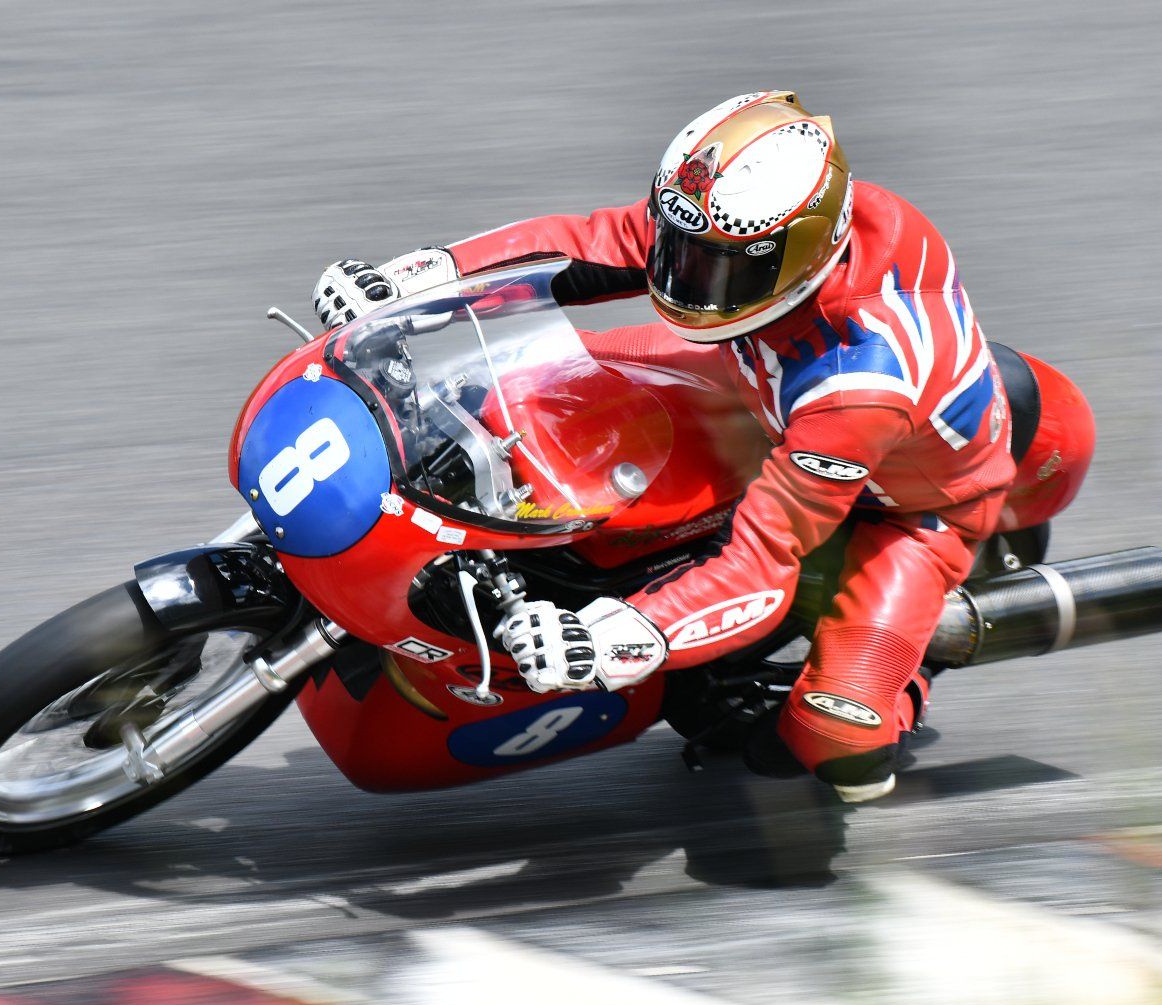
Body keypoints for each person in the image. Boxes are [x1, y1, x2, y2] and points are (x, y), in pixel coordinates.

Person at [313, 91, 1016, 803]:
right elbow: (601, 241)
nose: (682, 276)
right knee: (514, 388)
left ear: (799, 255)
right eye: (681, 248)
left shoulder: (858, 383)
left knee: (834, 743)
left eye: (715, 266)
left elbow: (761, 562)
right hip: (756, 378)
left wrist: (618, 639)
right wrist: (414, 281)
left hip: (904, 506)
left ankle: (917, 661)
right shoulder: (765, 229)